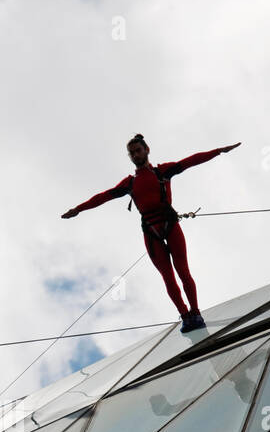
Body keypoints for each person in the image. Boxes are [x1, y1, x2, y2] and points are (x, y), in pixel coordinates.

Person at [62, 134, 241, 333]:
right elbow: (103, 197)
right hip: (151, 231)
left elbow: (191, 161)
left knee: (183, 271)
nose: (135, 155)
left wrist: (218, 151)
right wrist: (79, 208)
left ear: (147, 150)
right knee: (168, 277)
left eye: (138, 150)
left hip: (170, 224)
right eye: (132, 153)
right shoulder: (129, 183)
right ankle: (185, 316)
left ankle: (196, 312)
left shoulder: (162, 171)